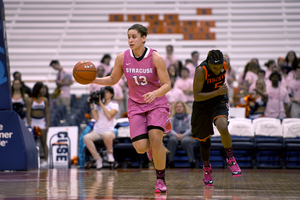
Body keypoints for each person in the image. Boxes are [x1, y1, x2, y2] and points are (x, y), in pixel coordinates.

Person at [91, 24, 171, 193]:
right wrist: (93, 79)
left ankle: (160, 179)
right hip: (135, 104)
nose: (130, 40)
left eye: (134, 36)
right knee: (141, 147)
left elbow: (167, 85)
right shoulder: (122, 58)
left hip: (156, 102)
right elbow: (113, 79)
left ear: (143, 38)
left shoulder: (155, 57)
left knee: (156, 139)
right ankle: (150, 150)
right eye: (128, 37)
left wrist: (155, 93)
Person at [191, 49, 242, 186]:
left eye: (220, 67)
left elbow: (226, 59)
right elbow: (196, 96)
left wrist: (219, 94)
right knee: (204, 141)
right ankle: (206, 168)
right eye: (215, 68)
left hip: (218, 102)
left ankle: (230, 159)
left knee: (222, 126)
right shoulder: (201, 70)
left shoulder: (225, 64)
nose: (218, 70)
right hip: (202, 105)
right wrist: (217, 91)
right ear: (208, 63)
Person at [84, 86, 119, 169]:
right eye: (104, 92)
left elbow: (110, 116)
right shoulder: (98, 105)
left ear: (111, 94)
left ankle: (110, 154)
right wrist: (92, 105)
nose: (105, 94)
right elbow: (95, 118)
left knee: (106, 135)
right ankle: (97, 158)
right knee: (86, 138)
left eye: (107, 92)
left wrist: (102, 105)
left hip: (109, 132)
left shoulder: (114, 105)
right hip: (97, 131)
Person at [167, 101, 198, 168]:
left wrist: (183, 135)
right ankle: (170, 161)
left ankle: (192, 161)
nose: (178, 108)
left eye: (180, 106)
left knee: (185, 141)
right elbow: (169, 129)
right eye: (177, 107)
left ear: (184, 107)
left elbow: (192, 129)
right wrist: (176, 135)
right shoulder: (172, 118)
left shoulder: (189, 117)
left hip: (188, 136)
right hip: (175, 136)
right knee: (172, 140)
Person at [26, 82, 50, 167]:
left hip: (41, 121)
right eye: (42, 88)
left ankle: (46, 161)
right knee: (32, 143)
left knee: (44, 142)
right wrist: (29, 125)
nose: (43, 90)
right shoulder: (30, 100)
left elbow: (47, 113)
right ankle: (31, 160)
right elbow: (28, 113)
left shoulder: (45, 100)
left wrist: (48, 124)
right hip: (33, 121)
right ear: (38, 89)